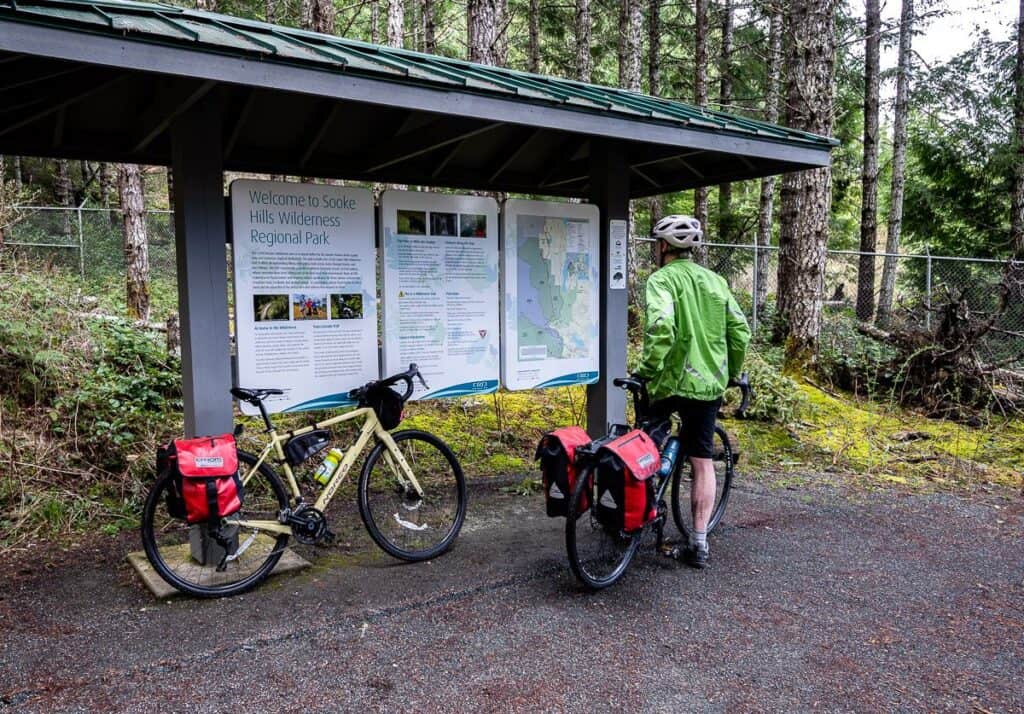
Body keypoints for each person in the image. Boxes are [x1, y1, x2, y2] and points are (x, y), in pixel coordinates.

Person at [634, 215, 751, 569]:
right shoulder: (716, 282)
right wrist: (731, 372)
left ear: (665, 246)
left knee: (646, 443)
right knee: (702, 460)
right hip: (707, 384)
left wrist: (646, 371)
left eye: (657, 243)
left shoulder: (661, 280)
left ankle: (639, 510)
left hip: (668, 381)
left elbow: (661, 327)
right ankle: (698, 542)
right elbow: (740, 331)